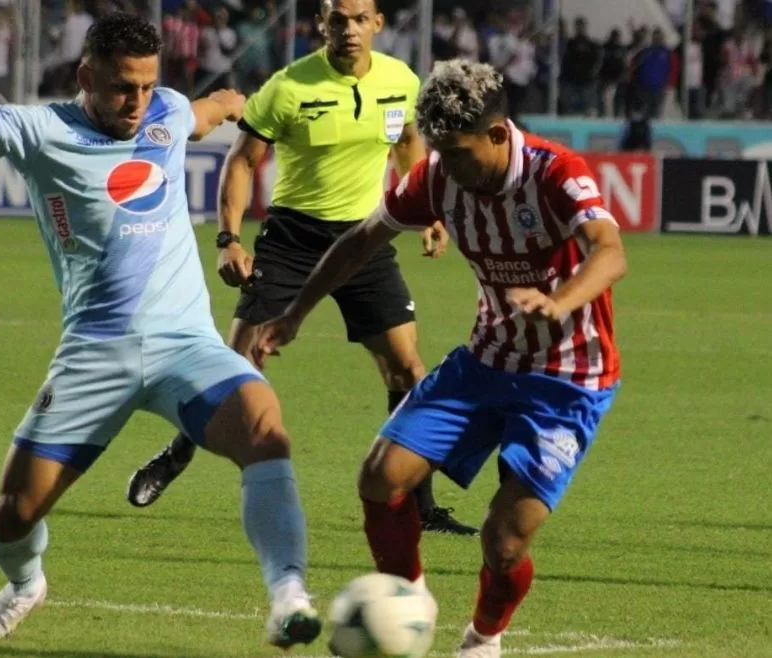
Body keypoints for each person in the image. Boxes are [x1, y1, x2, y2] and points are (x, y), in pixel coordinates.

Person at [0, 12, 322, 650]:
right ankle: (25, 585)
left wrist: (230, 102)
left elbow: (202, 111)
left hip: (185, 345)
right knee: (14, 515)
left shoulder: (167, 112)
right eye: (123, 87)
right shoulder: (41, 131)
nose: (138, 102)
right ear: (86, 76)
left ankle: (288, 594)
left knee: (266, 429)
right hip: (94, 355)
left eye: (148, 86)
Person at [253, 60, 627, 657]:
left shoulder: (556, 173)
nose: (445, 167)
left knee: (504, 543)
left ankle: (483, 639)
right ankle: (411, 603)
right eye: (438, 152)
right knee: (380, 479)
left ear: (499, 134)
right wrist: (296, 312)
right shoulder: (436, 178)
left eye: (457, 152)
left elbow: (609, 253)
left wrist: (559, 301)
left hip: (568, 378)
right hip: (484, 362)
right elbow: (358, 242)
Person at [126, 0, 479, 536]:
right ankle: (176, 455)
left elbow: (408, 143)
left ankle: (419, 506)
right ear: (322, 25)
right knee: (238, 365)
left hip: (365, 238)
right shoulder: (289, 87)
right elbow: (243, 160)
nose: (350, 29)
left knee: (407, 371)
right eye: (339, 19)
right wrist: (228, 240)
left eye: (361, 19)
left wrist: (425, 212)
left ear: (378, 24)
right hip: (293, 239)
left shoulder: (401, 80)